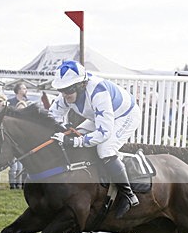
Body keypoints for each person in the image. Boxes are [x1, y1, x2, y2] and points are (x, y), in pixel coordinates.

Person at [48, 60, 142, 218]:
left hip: (125, 115)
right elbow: (51, 117)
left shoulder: (98, 92)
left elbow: (104, 132)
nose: (64, 94)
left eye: (68, 89)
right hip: (99, 115)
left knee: (104, 149)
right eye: (61, 90)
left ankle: (128, 195)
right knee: (75, 134)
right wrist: (63, 129)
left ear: (80, 85)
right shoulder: (66, 94)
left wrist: (75, 141)